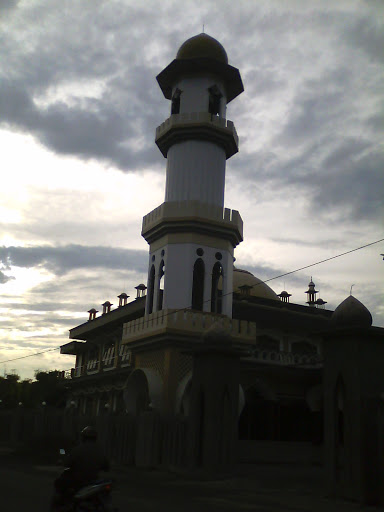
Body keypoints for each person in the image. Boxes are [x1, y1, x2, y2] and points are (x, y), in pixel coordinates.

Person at [52, 426, 109, 509]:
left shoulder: (77, 450)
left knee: (60, 484)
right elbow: (107, 467)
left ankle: (64, 506)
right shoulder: (100, 451)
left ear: (83, 437)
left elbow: (67, 463)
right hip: (93, 481)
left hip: (79, 481)